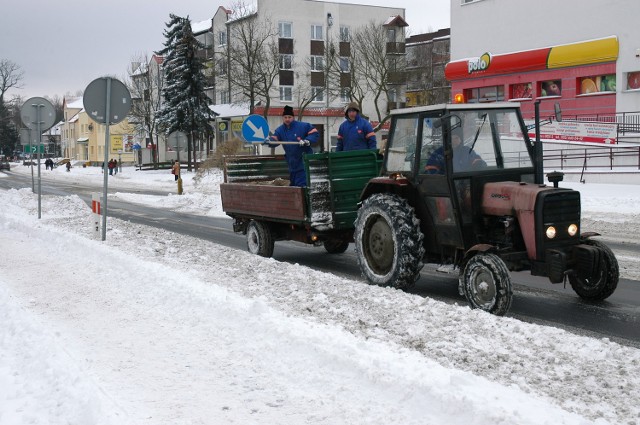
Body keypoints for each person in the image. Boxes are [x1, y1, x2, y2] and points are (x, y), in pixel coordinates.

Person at [264, 105, 319, 187]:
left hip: (304, 164)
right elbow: (275, 139)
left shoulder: (303, 126)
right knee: (294, 187)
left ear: (293, 117)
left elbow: (314, 133)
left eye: (289, 117)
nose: (287, 119)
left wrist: (307, 140)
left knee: (301, 187)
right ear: (282, 118)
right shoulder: (280, 130)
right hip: (292, 165)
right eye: (285, 117)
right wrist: (268, 142)